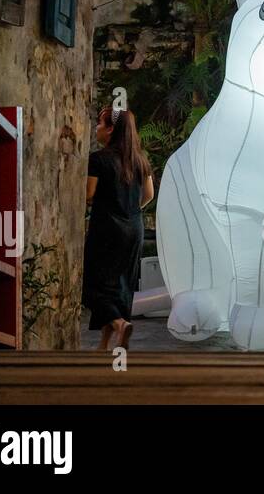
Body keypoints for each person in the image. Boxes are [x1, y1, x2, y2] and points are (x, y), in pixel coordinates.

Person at [83, 106, 154, 350]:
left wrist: (106, 202)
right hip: (134, 228)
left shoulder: (98, 159)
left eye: (100, 124)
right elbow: (148, 195)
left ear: (111, 129)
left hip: (107, 228)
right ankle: (104, 344)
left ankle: (119, 323)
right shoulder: (140, 160)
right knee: (121, 284)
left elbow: (89, 195)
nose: (97, 128)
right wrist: (130, 209)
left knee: (93, 283)